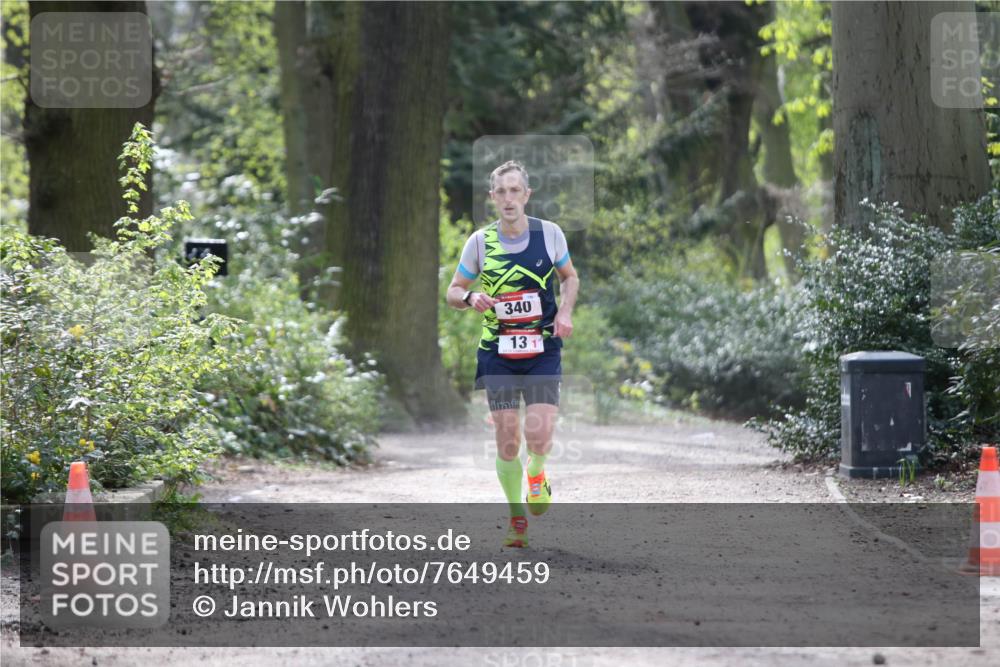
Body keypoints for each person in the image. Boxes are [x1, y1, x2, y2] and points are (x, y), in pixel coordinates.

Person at [446, 160, 579, 548]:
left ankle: (537, 471)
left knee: (539, 435)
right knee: (507, 438)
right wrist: (470, 297)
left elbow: (570, 277)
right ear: (492, 197)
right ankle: (516, 519)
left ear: (526, 195)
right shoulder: (479, 242)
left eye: (515, 190)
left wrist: (565, 312)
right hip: (498, 352)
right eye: (501, 191)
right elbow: (453, 290)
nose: (508, 198)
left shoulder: (549, 234)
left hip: (542, 349)